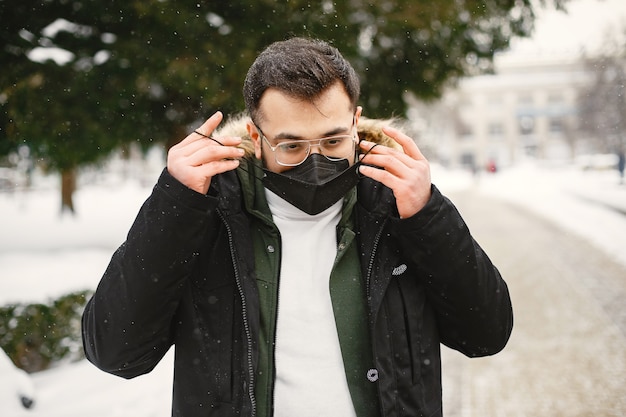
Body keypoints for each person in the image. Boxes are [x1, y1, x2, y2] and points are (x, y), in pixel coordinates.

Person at [82, 37, 513, 417]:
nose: (316, 161)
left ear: (355, 120)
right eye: (291, 145)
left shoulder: (394, 207)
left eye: (332, 141)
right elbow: (116, 352)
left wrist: (427, 214)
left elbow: (487, 333)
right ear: (255, 134)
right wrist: (174, 203)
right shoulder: (211, 215)